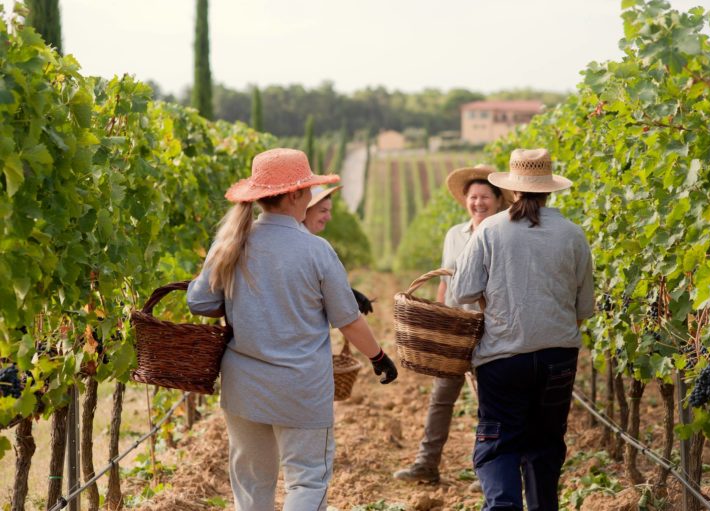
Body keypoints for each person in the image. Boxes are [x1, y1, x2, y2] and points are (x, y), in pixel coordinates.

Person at [186, 148, 398, 511]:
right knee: (307, 478)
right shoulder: (316, 250)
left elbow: (200, 302)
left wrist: (247, 303)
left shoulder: (231, 244)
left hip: (243, 386)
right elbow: (347, 319)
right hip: (301, 388)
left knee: (252, 483)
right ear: (295, 195)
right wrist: (378, 356)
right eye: (307, 190)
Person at [450, 148, 594, 510]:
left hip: (503, 359)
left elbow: (462, 290)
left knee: (498, 443)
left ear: (512, 191)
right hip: (558, 359)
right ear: (549, 190)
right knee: (545, 446)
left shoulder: (489, 230)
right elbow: (584, 307)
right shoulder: (573, 234)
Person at [393, 164, 506, 488]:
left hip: (491, 331)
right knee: (441, 399)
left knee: (491, 402)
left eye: (485, 197)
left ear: (498, 200)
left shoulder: (503, 232)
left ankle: (489, 471)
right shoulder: (455, 235)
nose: (478, 203)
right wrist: (441, 318)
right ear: (465, 200)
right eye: (473, 197)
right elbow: (446, 282)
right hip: (455, 332)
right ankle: (427, 465)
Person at [303, 185, 374, 315]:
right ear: (305, 210)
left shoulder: (308, 243)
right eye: (323, 211)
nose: (329, 217)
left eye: (329, 211)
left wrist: (345, 292)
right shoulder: (315, 247)